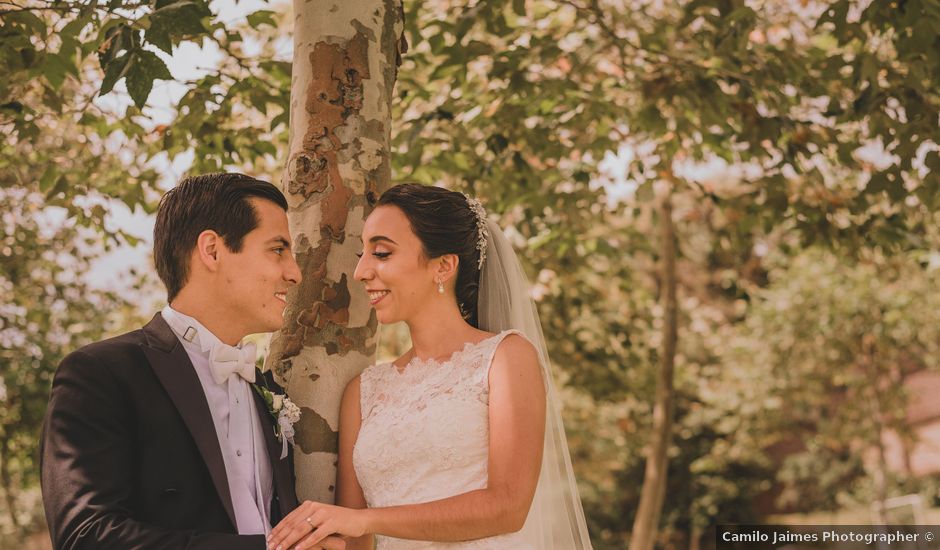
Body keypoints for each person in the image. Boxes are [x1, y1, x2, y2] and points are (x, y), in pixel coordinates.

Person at [267, 183, 593, 549]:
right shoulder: (364, 390)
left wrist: (363, 521)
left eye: (382, 253)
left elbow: (508, 507)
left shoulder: (505, 358)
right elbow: (356, 540)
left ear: (443, 266)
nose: (360, 271)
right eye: (363, 254)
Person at [40, 173, 344, 549]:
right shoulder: (101, 373)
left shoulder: (267, 387)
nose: (294, 273)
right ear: (212, 250)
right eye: (277, 249)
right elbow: (84, 536)